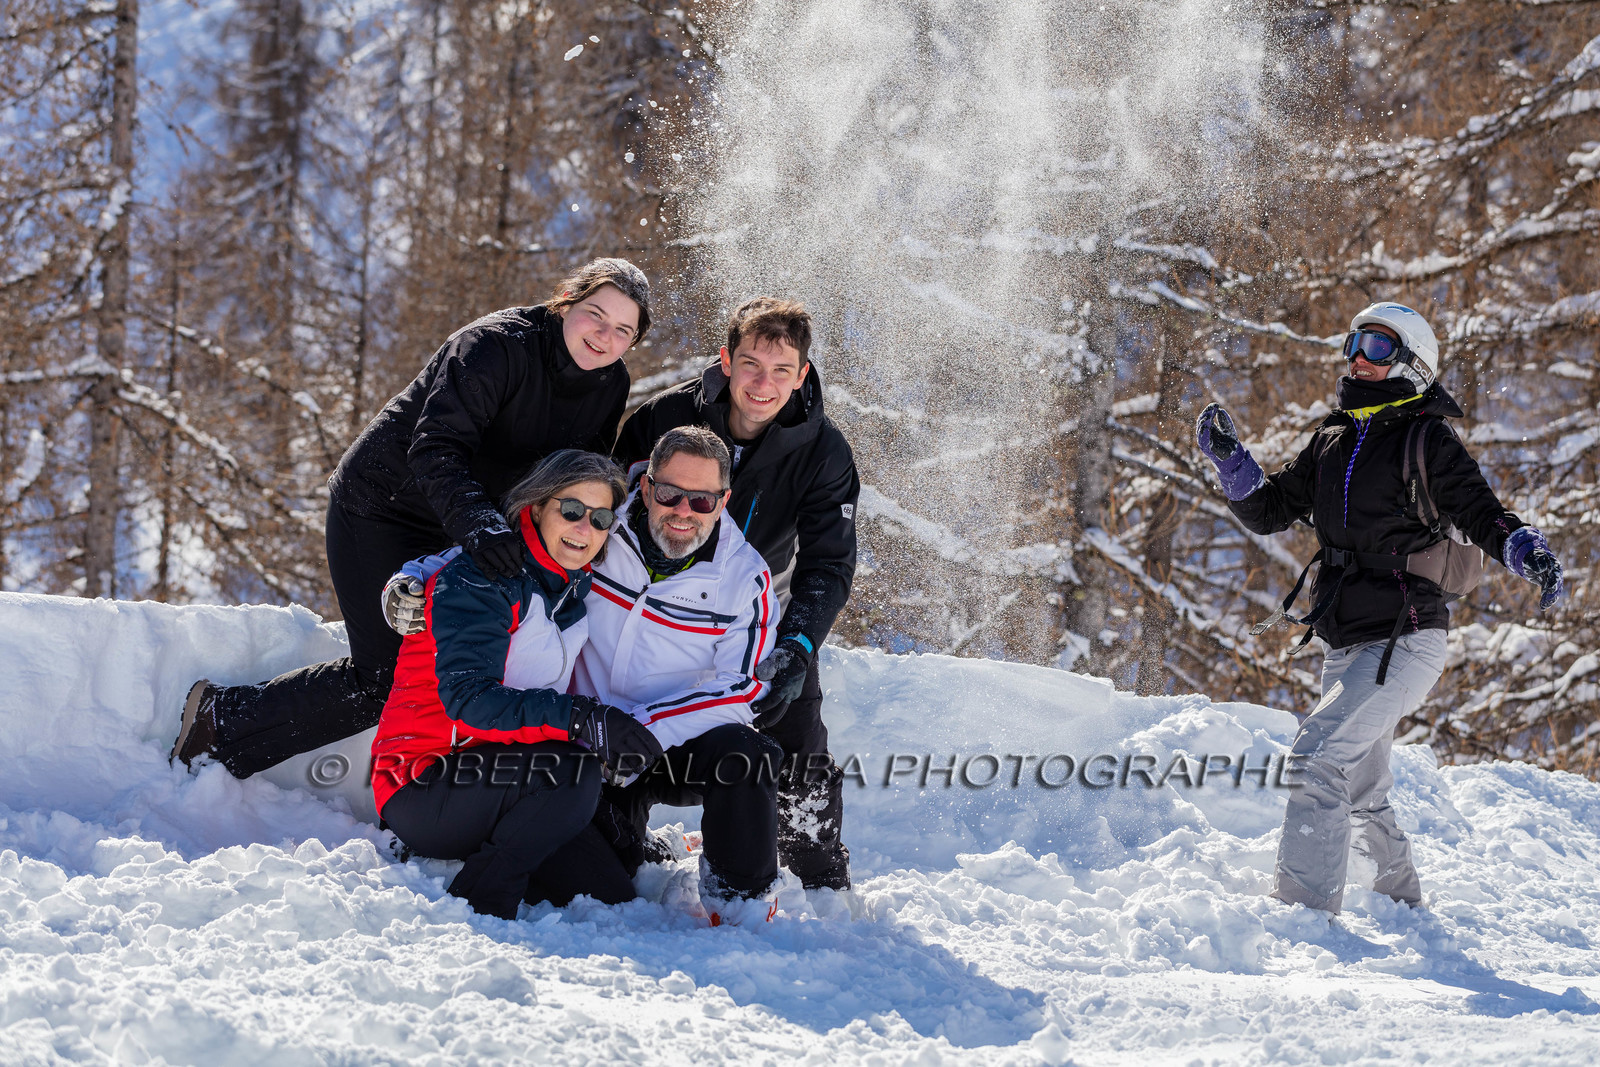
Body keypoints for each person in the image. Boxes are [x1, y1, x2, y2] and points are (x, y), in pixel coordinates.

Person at [172, 258, 651, 778]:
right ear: (565, 303)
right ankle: (223, 722)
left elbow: (576, 477)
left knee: (464, 666)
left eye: (622, 330)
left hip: (469, 522)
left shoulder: (609, 384)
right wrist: (481, 526)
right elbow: (437, 448)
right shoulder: (495, 347)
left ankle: (443, 793)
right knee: (382, 676)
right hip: (384, 504)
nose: (604, 336)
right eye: (594, 314)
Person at [1196, 301, 1565, 914]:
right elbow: (1268, 512)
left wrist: (1527, 550)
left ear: (1413, 364)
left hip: (1407, 634)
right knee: (1361, 783)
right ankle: (1401, 904)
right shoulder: (1333, 439)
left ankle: (1303, 912)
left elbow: (1481, 511)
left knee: (1316, 760)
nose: (1360, 358)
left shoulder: (1427, 439)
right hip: (1345, 639)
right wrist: (1231, 460)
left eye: (1379, 347)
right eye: (1356, 342)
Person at [387, 427, 785, 925]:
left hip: (651, 741)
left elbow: (743, 684)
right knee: (609, 885)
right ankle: (497, 875)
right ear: (647, 487)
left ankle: (740, 905)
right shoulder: (601, 527)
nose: (684, 510)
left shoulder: (744, 576)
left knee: (748, 759)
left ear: (723, 500)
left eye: (702, 500)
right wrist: (414, 576)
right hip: (572, 749)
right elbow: (493, 555)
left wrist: (642, 728)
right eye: (670, 493)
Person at [613, 297, 859, 892]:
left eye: (781, 371)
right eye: (750, 364)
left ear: (802, 374)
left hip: (759, 614)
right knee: (623, 718)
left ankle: (821, 877)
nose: (763, 383)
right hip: (654, 606)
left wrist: (797, 646)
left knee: (795, 743)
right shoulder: (665, 417)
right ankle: (623, 843)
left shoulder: (824, 451)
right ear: (726, 361)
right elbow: (608, 505)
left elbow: (829, 564)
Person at [371, 449, 662, 919]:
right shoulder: (484, 577)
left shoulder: (570, 592)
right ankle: (481, 899)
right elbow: (469, 700)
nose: (584, 528)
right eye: (571, 510)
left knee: (614, 887)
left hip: (498, 780)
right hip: (423, 783)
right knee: (569, 772)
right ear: (538, 506)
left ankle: (512, 855)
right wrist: (581, 720)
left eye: (601, 517)